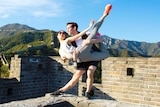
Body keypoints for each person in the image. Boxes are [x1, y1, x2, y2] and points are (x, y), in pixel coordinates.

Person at [52, 4, 112, 99]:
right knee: (75, 78)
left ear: (75, 28)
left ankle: (88, 92)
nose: (66, 31)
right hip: (82, 58)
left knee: (90, 72)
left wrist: (91, 40)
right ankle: (60, 91)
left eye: (68, 28)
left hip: (90, 54)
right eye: (65, 30)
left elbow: (98, 38)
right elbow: (68, 55)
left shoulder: (85, 34)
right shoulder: (70, 41)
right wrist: (70, 58)